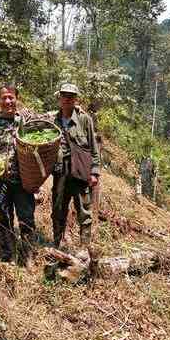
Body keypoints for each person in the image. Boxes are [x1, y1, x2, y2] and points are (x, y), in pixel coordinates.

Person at [0, 84, 36, 265]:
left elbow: (50, 121)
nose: (8, 101)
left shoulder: (26, 120)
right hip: (1, 181)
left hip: (23, 180)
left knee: (26, 217)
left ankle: (28, 256)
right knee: (5, 217)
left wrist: (76, 107)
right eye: (4, 98)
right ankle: (10, 255)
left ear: (16, 98)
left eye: (11, 97)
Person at [51, 83, 100, 248]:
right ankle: (57, 244)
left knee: (84, 213)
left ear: (75, 99)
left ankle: (85, 248)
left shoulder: (84, 119)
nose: (67, 99)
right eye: (64, 96)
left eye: (71, 96)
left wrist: (94, 173)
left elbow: (94, 148)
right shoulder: (53, 119)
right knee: (58, 210)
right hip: (60, 173)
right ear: (59, 98)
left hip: (80, 173)